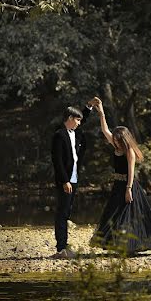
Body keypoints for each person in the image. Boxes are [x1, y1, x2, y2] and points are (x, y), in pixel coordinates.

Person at [90, 98, 151, 255]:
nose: (115, 141)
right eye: (114, 139)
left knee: (128, 214)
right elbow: (105, 130)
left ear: (124, 139)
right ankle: (116, 244)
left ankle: (130, 246)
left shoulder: (129, 151)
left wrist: (128, 189)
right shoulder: (116, 145)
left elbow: (131, 171)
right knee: (114, 213)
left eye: (117, 140)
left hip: (128, 185)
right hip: (117, 185)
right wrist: (101, 112)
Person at [50, 99, 96, 259]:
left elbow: (83, 119)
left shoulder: (75, 133)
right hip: (66, 179)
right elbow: (57, 161)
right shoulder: (59, 135)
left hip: (74, 177)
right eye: (77, 120)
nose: (79, 123)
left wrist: (89, 106)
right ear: (69, 118)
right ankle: (61, 248)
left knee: (67, 213)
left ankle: (64, 247)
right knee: (62, 213)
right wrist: (65, 181)